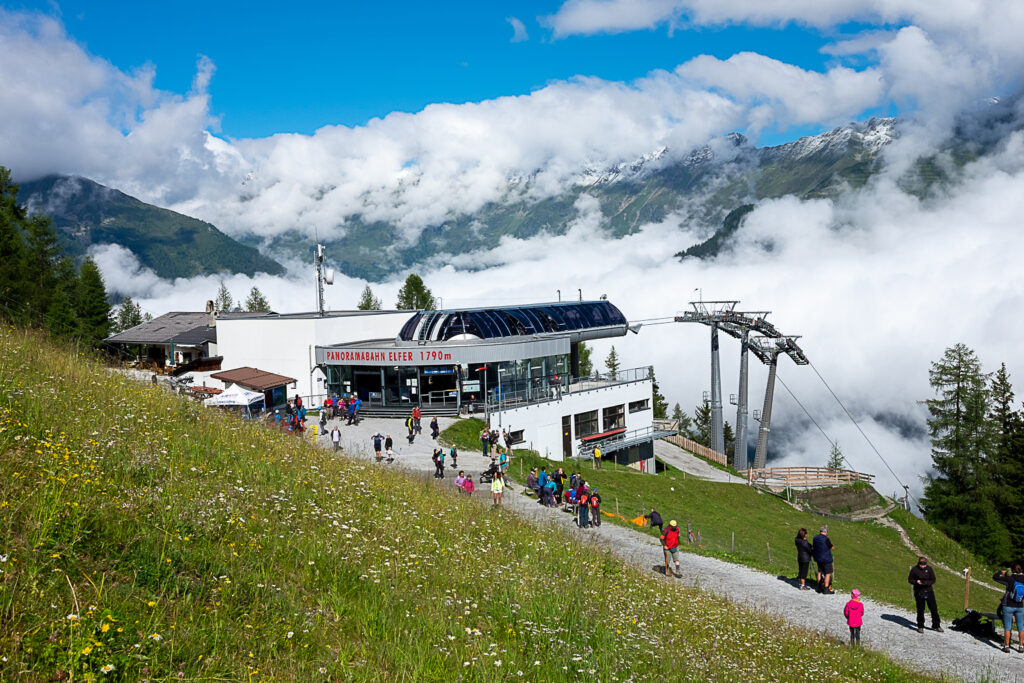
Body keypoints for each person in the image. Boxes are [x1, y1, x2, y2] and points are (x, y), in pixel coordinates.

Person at [994, 563, 1024, 652]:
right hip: (1020, 606)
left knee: (1007, 626)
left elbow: (995, 577)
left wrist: (1001, 572)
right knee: (1021, 627)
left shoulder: (1010, 579)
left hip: (1008, 605)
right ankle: (1021, 647)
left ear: (1012, 570)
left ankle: (1006, 646)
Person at [908, 556, 942, 633]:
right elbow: (910, 580)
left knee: (934, 609)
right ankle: (920, 626)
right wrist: (916, 582)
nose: (923, 566)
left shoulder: (929, 569)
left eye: (925, 565)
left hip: (929, 591)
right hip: (918, 591)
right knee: (920, 609)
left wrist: (926, 583)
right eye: (922, 565)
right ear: (919, 563)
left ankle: (936, 625)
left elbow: (933, 579)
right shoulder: (914, 570)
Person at [812, 525, 835, 594]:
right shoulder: (826, 539)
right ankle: (826, 588)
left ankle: (819, 587)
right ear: (826, 531)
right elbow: (831, 547)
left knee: (820, 571)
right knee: (828, 573)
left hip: (818, 557)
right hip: (826, 558)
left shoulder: (815, 538)